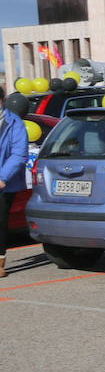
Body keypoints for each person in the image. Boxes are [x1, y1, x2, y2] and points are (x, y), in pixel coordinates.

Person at [0, 97, 28, 278]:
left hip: (4, 182)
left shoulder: (14, 122)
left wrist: (2, 177)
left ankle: (0, 261)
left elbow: (20, 152)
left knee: (0, 221)